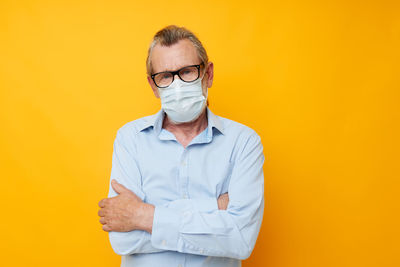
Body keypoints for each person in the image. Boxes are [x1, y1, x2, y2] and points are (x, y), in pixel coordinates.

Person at [97, 25, 265, 267]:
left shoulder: (244, 142)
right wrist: (214, 207)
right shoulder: (130, 138)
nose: (177, 85)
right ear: (153, 86)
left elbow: (240, 238)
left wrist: (143, 215)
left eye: (187, 71)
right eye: (165, 76)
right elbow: (124, 240)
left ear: (208, 74)